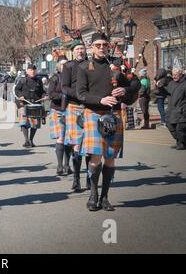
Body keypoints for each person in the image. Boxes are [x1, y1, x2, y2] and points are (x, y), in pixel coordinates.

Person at [76, 32, 138, 211]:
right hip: (94, 113)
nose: (102, 48)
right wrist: (100, 100)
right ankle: (93, 193)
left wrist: (124, 90)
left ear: (108, 46)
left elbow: (136, 85)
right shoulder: (84, 67)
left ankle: (105, 197)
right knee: (95, 157)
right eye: (98, 45)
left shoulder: (117, 65)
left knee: (110, 158)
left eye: (105, 45)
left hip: (114, 114)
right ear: (91, 47)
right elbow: (81, 93)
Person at [62, 40, 90, 191]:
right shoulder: (68, 66)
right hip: (74, 106)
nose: (80, 51)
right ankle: (76, 178)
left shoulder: (91, 65)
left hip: (91, 106)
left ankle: (90, 178)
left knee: (90, 145)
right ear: (73, 51)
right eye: (77, 49)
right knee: (77, 146)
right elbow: (64, 87)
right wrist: (80, 95)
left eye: (82, 49)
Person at [48, 58, 72, 176]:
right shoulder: (55, 78)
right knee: (61, 138)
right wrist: (63, 96)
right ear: (58, 66)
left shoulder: (73, 78)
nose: (65, 66)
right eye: (63, 65)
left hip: (70, 110)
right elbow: (51, 94)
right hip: (57, 110)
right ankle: (60, 165)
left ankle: (67, 165)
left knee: (69, 139)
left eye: (67, 64)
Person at [14, 64, 46, 148]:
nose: (32, 71)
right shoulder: (22, 80)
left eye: (34, 70)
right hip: (24, 103)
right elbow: (16, 89)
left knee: (34, 124)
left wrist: (44, 96)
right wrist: (20, 95)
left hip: (35, 103)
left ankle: (31, 140)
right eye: (31, 70)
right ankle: (26, 140)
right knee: (24, 123)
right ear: (27, 71)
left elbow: (42, 91)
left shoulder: (39, 81)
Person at [165, 66, 186, 150]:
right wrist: (159, 88)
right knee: (170, 126)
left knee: (179, 128)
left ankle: (182, 143)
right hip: (171, 109)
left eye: (176, 75)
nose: (174, 76)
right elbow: (165, 93)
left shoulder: (184, 84)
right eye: (173, 75)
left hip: (181, 109)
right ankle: (178, 141)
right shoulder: (171, 83)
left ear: (181, 74)